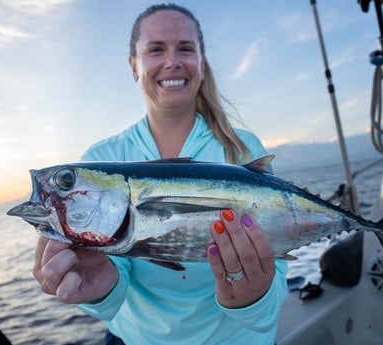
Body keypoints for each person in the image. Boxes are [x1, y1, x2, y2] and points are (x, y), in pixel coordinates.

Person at [33, 4, 288, 345]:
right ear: (133, 66)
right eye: (156, 49)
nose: (172, 61)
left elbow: (277, 276)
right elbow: (111, 279)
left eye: (185, 48)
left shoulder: (242, 149)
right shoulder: (101, 159)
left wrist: (252, 298)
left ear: (201, 63)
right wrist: (99, 289)